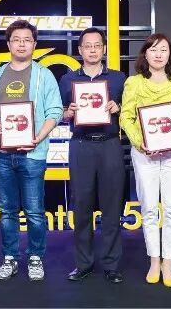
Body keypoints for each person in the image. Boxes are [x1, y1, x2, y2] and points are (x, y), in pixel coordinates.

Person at [0, 20, 63, 281]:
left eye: (27, 40)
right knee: (7, 211)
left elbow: (55, 111)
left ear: (34, 44)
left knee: (35, 211)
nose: (22, 44)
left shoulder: (44, 75)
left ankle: (35, 257)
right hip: (2, 154)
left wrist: (38, 137)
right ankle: (10, 258)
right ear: (9, 44)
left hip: (32, 154)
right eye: (16, 39)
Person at [120, 33, 171, 288]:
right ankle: (154, 260)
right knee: (149, 207)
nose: (158, 54)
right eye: (153, 49)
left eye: (163, 49)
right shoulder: (134, 83)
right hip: (144, 152)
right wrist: (139, 142)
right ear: (146, 54)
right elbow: (126, 117)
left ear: (169, 53)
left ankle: (168, 262)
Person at [58, 27, 126, 284]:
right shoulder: (67, 79)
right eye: (88, 46)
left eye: (97, 45)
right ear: (80, 50)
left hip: (110, 144)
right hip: (81, 145)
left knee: (112, 207)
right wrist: (67, 113)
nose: (93, 50)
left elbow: (130, 110)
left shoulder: (119, 78)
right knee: (82, 207)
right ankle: (83, 264)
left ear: (104, 48)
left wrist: (118, 107)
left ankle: (111, 265)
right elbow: (58, 112)